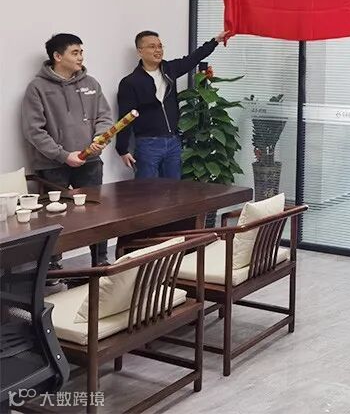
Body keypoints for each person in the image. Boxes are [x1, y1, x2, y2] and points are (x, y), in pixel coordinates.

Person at [22, 33, 113, 273]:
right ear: (57, 56)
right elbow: (34, 131)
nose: (81, 57)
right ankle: (53, 267)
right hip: (52, 165)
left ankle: (100, 261)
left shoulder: (91, 83)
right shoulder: (37, 88)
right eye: (75, 52)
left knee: (96, 213)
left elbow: (104, 117)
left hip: (90, 161)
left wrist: (100, 138)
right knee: (54, 217)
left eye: (81, 52)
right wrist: (64, 155)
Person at [116, 30, 228, 179]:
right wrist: (122, 149)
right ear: (140, 51)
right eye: (152, 46)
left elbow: (193, 58)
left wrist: (215, 41)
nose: (158, 50)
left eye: (160, 46)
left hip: (173, 142)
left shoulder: (169, 69)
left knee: (173, 189)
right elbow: (125, 117)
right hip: (148, 144)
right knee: (146, 190)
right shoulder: (130, 82)